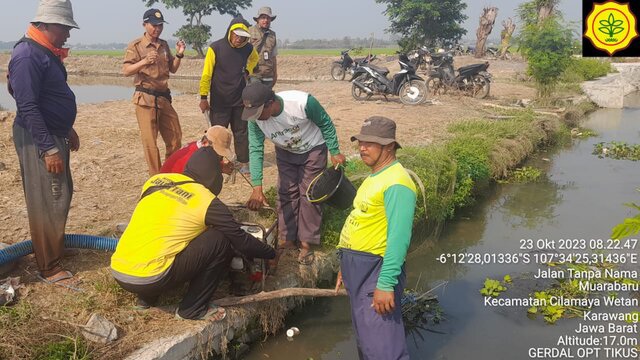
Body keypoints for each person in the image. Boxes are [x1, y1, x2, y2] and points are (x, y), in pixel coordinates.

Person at [111, 146, 275, 320]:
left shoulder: (156, 181)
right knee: (220, 239)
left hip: (121, 273)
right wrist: (270, 252)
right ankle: (192, 309)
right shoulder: (207, 200)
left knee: (161, 232)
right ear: (213, 174)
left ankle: (146, 299)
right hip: (153, 278)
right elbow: (240, 240)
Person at [8, 0, 80, 286]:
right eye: (64, 28)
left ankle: (53, 249)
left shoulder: (44, 52)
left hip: (52, 133)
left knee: (60, 194)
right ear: (47, 25)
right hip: (38, 139)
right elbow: (27, 105)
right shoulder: (27, 55)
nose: (68, 35)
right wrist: (48, 147)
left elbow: (49, 96)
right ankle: (49, 268)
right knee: (47, 200)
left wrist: (67, 128)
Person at [335, 116, 416, 360]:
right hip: (357, 268)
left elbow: (398, 239)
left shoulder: (398, 183)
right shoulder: (375, 177)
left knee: (384, 348)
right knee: (367, 342)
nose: (362, 147)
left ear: (389, 146)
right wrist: (344, 265)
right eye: (361, 142)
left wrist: (386, 283)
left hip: (375, 271)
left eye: (370, 143)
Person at [241, 82, 346, 266]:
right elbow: (255, 148)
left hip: (313, 148)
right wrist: (257, 186)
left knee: (310, 194)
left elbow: (326, 123)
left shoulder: (302, 103)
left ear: (270, 103)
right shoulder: (254, 120)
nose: (256, 118)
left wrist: (334, 151)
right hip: (285, 151)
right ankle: (287, 239)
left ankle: (307, 242)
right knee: (286, 193)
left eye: (259, 113)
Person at [123, 9, 186, 175]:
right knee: (150, 143)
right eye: (154, 25)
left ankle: (170, 173)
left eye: (160, 25)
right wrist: (144, 61)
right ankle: (156, 178)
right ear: (145, 24)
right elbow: (127, 70)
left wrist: (180, 53)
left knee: (175, 137)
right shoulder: (136, 46)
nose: (157, 29)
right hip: (145, 98)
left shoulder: (164, 45)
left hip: (164, 98)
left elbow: (172, 69)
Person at [199, 17, 259, 176]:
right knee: (217, 134)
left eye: (242, 36)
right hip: (220, 101)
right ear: (230, 32)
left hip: (240, 99)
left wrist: (248, 70)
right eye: (236, 35)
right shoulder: (216, 48)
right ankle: (216, 163)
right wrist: (203, 97)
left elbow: (255, 59)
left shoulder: (247, 49)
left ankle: (243, 162)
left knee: (241, 132)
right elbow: (206, 75)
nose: (239, 39)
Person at [160, 125, 234, 175]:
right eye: (218, 154)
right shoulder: (196, 161)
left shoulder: (196, 147)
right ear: (205, 143)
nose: (220, 157)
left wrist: (221, 166)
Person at [248, 7, 278, 88]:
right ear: (258, 19)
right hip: (253, 73)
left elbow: (274, 56)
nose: (266, 20)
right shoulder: (249, 31)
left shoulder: (273, 35)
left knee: (267, 99)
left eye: (268, 18)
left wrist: (275, 74)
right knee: (255, 97)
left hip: (268, 74)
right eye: (263, 18)